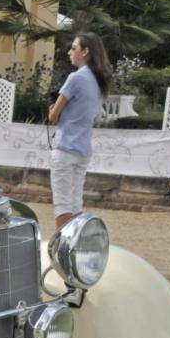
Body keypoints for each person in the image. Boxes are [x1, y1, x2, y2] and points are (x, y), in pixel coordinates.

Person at [47, 31, 113, 230]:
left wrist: (52, 109)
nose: (69, 52)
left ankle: (61, 248)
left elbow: (53, 115)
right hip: (83, 147)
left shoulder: (75, 78)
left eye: (74, 48)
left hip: (65, 146)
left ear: (86, 52)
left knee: (62, 203)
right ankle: (75, 246)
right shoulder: (99, 81)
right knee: (76, 202)